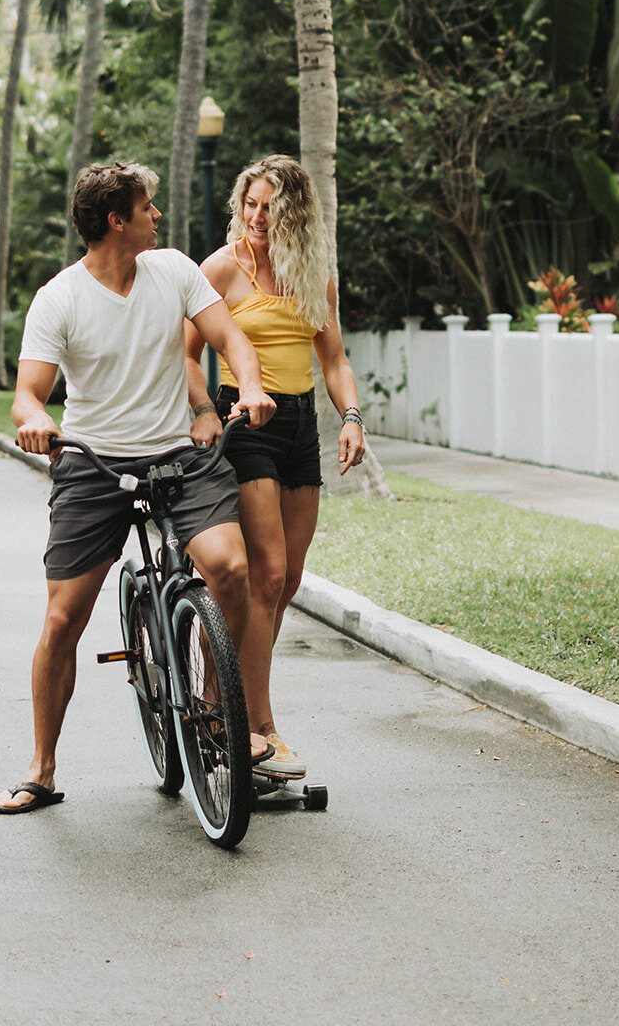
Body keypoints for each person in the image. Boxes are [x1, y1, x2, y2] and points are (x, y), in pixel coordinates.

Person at [0, 161, 276, 816]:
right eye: (146, 207)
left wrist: (250, 385)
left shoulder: (174, 270)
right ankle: (41, 769)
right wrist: (37, 422)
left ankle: (211, 712)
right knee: (64, 618)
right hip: (93, 464)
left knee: (229, 569)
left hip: (178, 453)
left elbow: (230, 338)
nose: (156, 217)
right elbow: (27, 396)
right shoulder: (59, 297)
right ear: (116, 220)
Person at [185, 154, 365, 782]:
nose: (257, 218)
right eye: (250, 204)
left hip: (300, 426)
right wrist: (206, 407)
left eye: (271, 207)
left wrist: (351, 416)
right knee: (267, 574)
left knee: (286, 583)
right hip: (246, 423)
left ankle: (218, 695)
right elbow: (183, 355)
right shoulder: (220, 269)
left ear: (295, 213)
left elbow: (334, 359)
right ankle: (258, 726)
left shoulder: (314, 274)